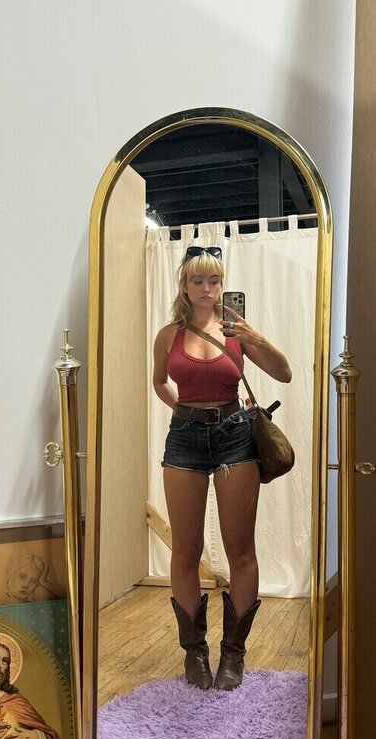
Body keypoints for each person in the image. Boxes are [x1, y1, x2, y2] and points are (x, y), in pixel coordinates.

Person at [153, 246, 292, 691]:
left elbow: (285, 373)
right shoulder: (168, 335)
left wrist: (255, 337)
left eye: (214, 280)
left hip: (235, 435)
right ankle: (195, 652)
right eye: (198, 280)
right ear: (184, 285)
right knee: (186, 549)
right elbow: (159, 381)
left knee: (240, 549)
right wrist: (184, 411)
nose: (207, 289)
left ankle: (233, 653)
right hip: (184, 439)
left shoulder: (235, 331)